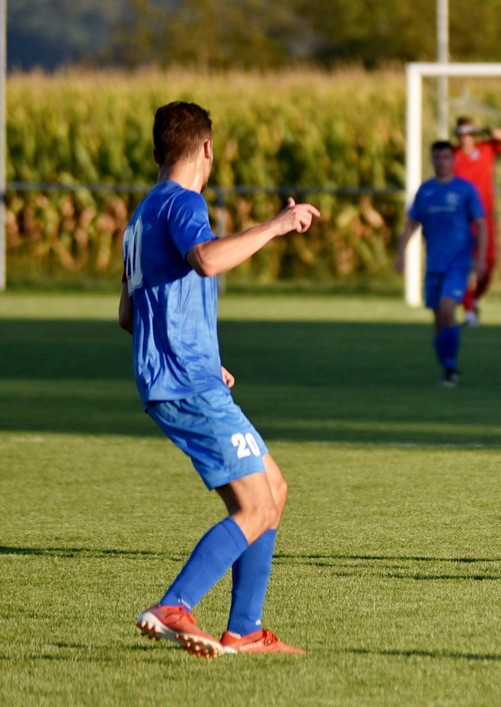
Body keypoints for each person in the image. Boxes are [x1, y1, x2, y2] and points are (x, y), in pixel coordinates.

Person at [119, 101, 320, 657]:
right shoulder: (184, 203)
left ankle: (247, 631)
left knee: (273, 491)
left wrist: (204, 352)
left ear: (158, 149)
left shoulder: (140, 216)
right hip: (187, 382)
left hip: (180, 374)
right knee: (256, 506)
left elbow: (129, 313)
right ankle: (174, 604)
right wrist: (279, 224)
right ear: (206, 148)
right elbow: (206, 260)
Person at [396, 140, 487, 387]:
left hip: (458, 263)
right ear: (432, 159)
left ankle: (450, 369)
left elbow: (480, 223)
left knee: (448, 309)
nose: (442, 161)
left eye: (447, 157)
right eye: (438, 157)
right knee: (438, 319)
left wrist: (480, 259)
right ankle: (446, 366)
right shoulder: (425, 191)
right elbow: (412, 223)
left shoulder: (465, 190)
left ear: (454, 160)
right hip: (434, 263)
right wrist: (401, 252)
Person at [453, 115, 501, 327]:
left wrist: (490, 131)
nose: (466, 138)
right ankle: (469, 313)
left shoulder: (486, 149)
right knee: (462, 266)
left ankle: (473, 300)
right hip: (461, 220)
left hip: (484, 219)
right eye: (462, 134)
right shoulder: (452, 156)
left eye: (469, 133)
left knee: (488, 265)